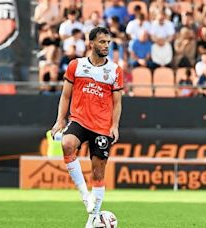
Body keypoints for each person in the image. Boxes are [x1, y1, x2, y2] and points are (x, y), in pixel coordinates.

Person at [50, 27, 123, 228]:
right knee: (67, 144)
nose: (106, 45)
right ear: (91, 43)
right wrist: (60, 120)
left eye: (108, 42)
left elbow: (117, 102)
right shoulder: (76, 65)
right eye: (102, 42)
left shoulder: (115, 70)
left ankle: (92, 221)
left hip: (102, 126)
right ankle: (85, 197)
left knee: (98, 173)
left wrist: (115, 126)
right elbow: (65, 95)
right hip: (79, 120)